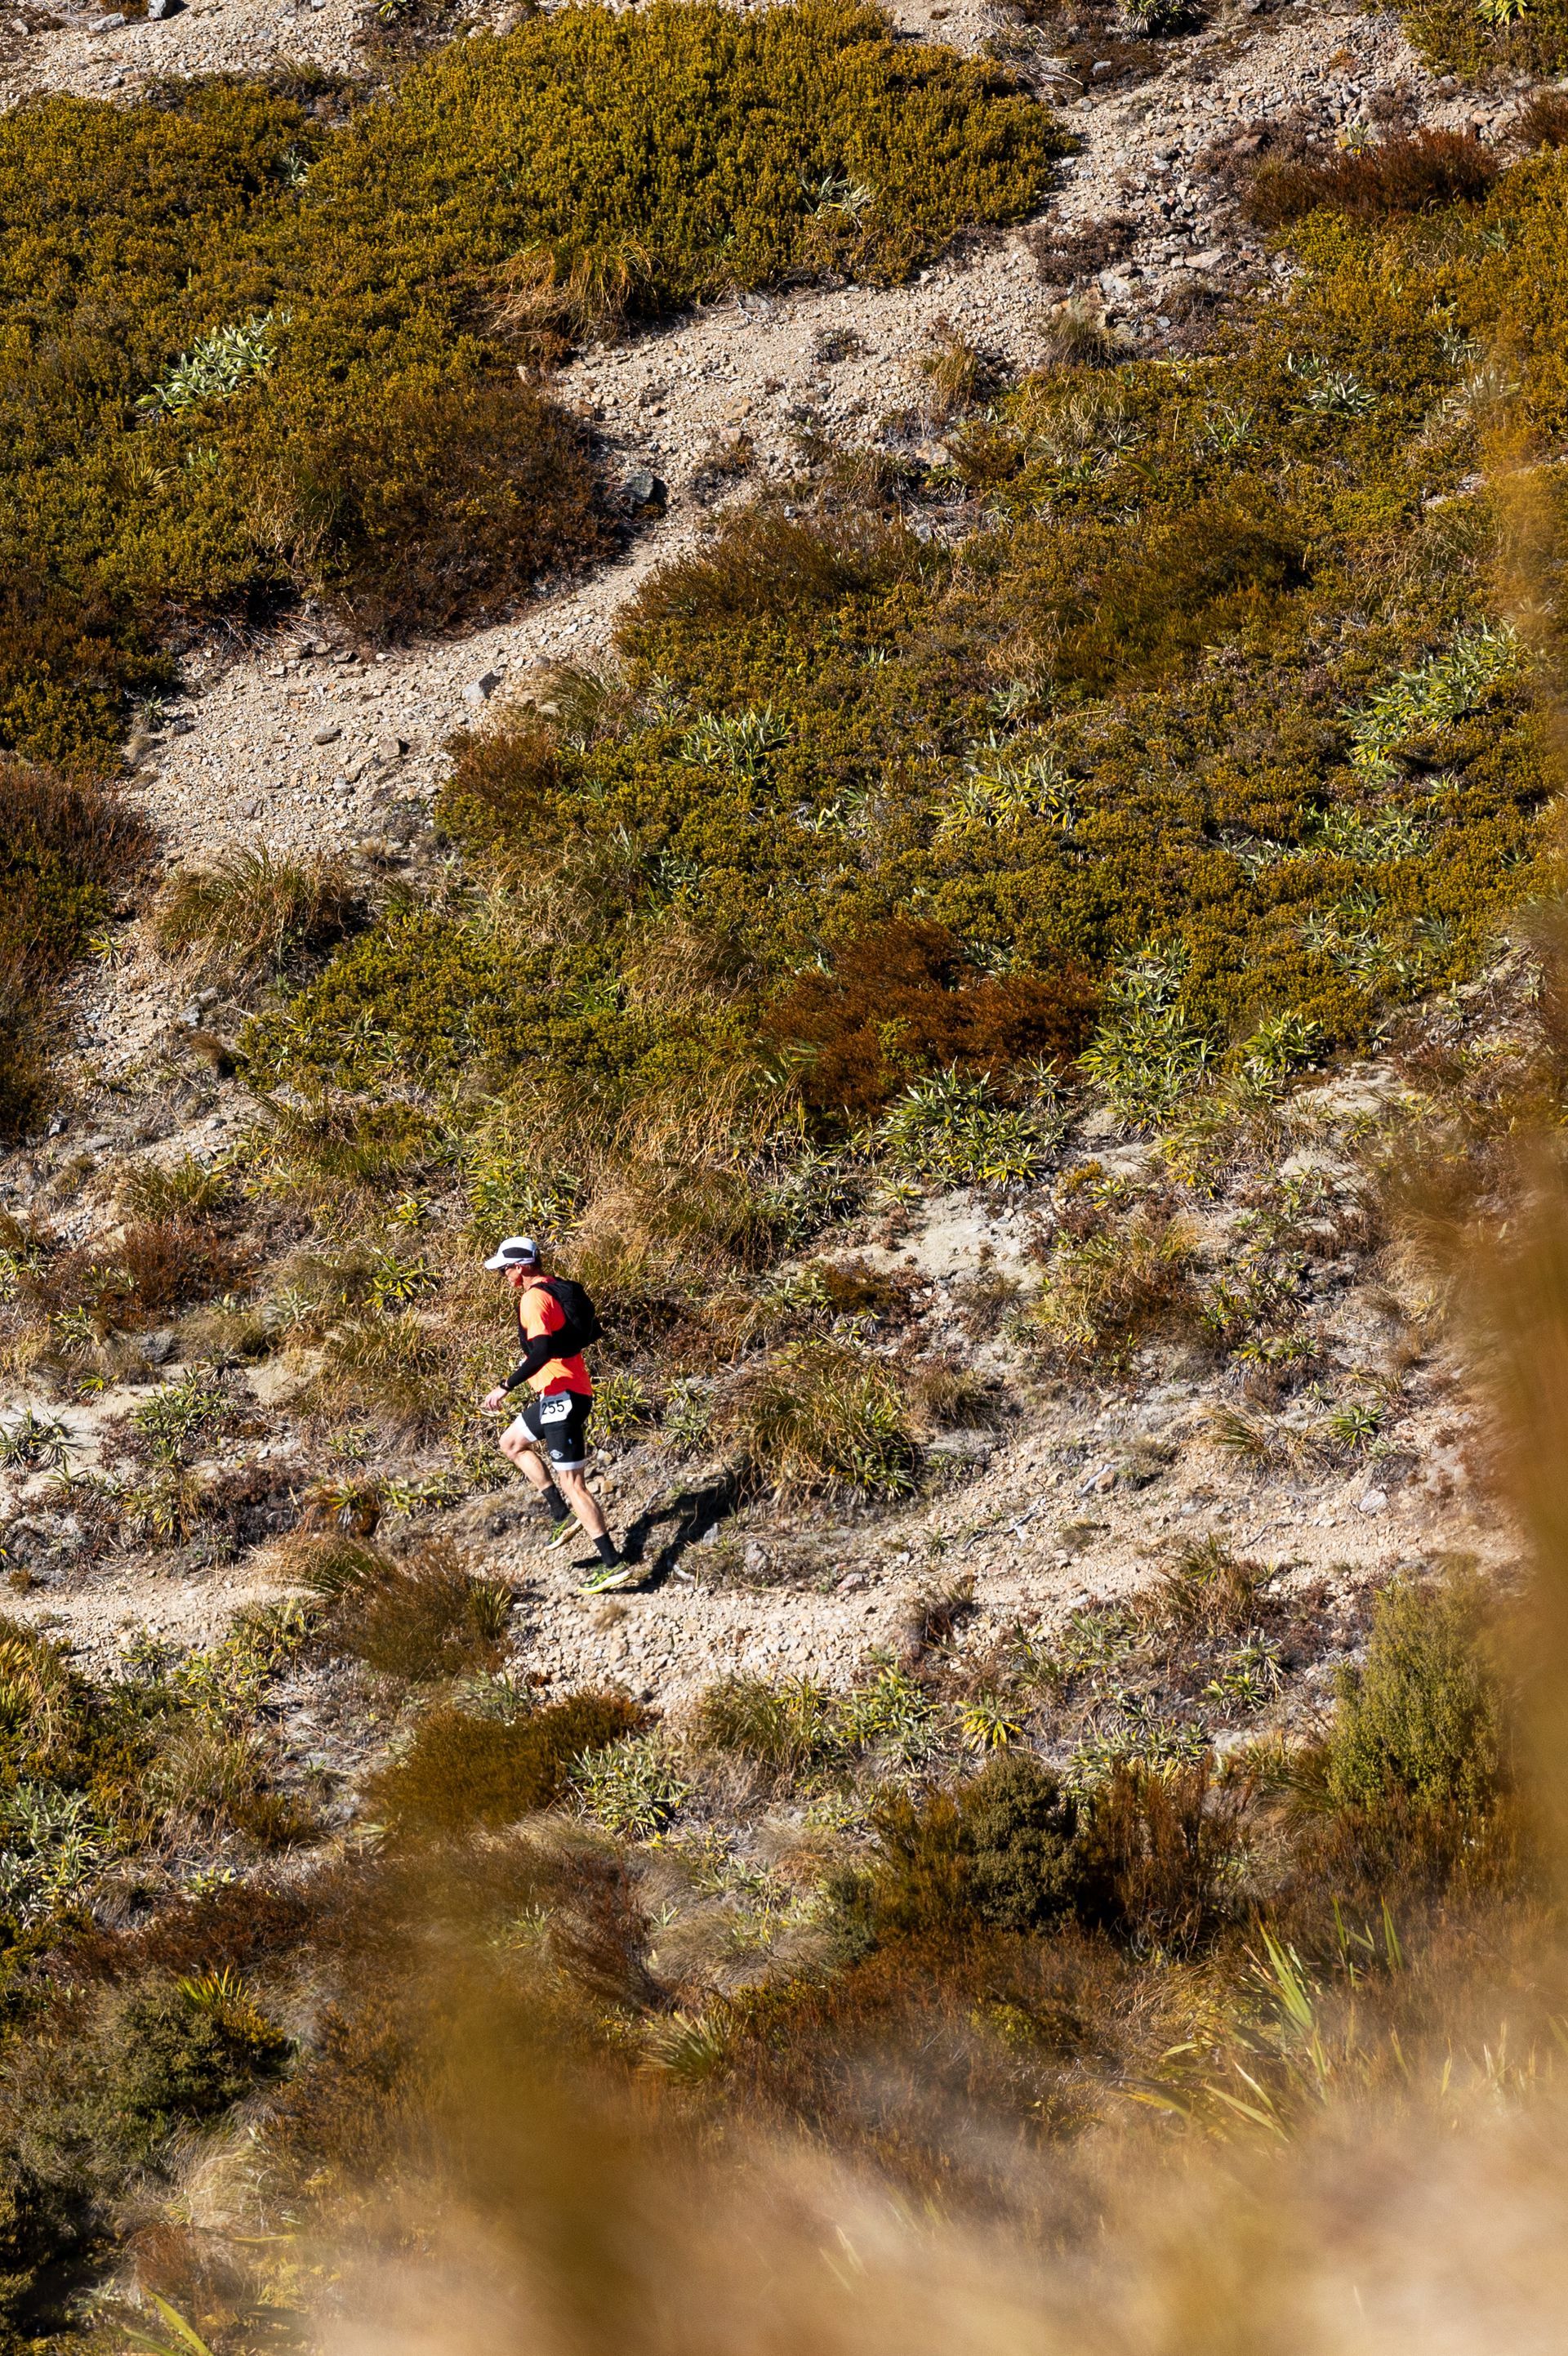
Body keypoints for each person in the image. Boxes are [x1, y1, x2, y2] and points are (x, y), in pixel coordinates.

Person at [479, 1235, 629, 1594]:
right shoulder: (553, 1289)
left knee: (573, 1483)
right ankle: (561, 1516)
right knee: (511, 1443)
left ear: (521, 1267)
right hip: (557, 1394)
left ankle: (612, 1563)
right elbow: (545, 1349)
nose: (504, 1275)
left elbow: (543, 1350)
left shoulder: (533, 1298)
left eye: (506, 1269)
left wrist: (505, 1386)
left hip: (563, 1396)